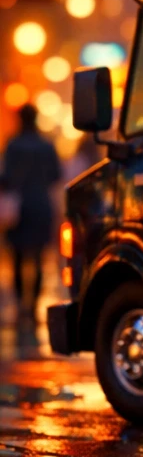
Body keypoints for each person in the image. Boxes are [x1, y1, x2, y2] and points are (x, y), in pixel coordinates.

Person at [2, 104, 61, 325]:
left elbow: (5, 177)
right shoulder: (46, 146)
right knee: (37, 258)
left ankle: (19, 307)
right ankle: (33, 307)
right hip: (41, 206)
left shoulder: (12, 145)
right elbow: (55, 175)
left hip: (17, 208)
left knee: (17, 258)